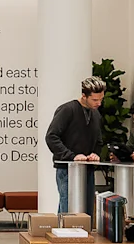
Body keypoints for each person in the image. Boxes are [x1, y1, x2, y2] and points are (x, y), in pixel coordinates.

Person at [45, 76, 106, 213]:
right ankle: (65, 233)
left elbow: (99, 141)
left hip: (87, 169)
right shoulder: (67, 110)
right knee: (68, 208)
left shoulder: (96, 115)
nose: (99, 103)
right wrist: (71, 156)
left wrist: (95, 154)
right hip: (67, 168)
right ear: (84, 96)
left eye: (101, 99)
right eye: (95, 100)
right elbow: (51, 136)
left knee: (87, 210)